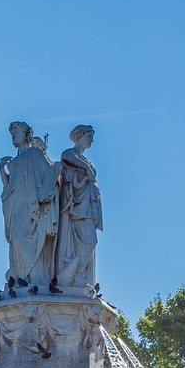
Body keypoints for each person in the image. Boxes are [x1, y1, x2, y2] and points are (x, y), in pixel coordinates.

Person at [0, 121, 61, 289]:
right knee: (17, 239)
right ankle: (20, 277)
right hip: (15, 204)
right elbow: (8, 188)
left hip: (30, 204)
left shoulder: (34, 154)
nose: (13, 136)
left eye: (16, 133)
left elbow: (49, 173)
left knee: (29, 237)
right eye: (11, 134)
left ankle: (35, 278)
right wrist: (2, 170)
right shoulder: (15, 160)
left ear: (26, 134)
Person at [56, 124, 101, 291]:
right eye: (89, 136)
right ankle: (77, 276)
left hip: (88, 204)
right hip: (75, 206)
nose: (92, 139)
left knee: (91, 241)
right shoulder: (71, 153)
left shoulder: (85, 160)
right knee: (87, 241)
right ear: (79, 136)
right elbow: (66, 157)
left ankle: (79, 276)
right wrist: (87, 168)